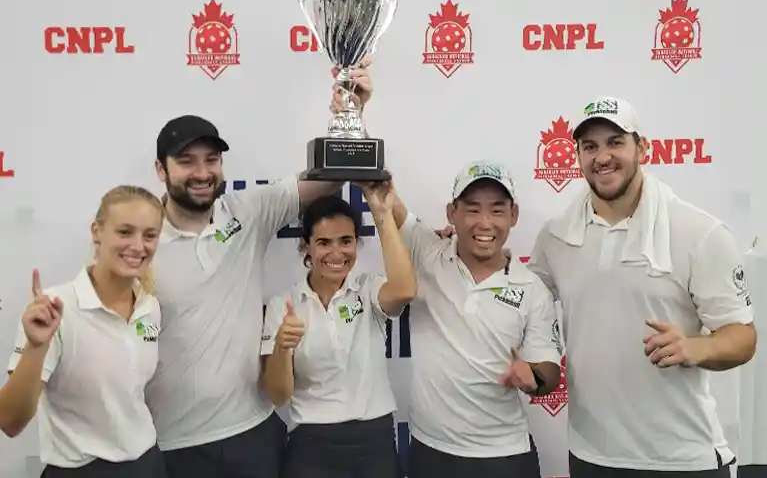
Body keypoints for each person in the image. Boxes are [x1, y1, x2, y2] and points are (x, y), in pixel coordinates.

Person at [145, 62, 374, 478]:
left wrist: (348, 116)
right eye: (186, 161)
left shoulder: (247, 211)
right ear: (161, 170)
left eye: (211, 160)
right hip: (170, 444)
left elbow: (330, 177)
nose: (201, 173)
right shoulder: (137, 241)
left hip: (252, 435)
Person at [528, 96, 756, 477]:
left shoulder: (699, 233)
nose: (602, 156)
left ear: (643, 147)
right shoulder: (555, 237)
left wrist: (694, 347)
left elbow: (743, 338)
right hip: (590, 456)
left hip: (682, 460)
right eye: (590, 146)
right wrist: (459, 246)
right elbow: (522, 296)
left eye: (615, 142)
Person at [388, 161, 562, 478]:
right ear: (452, 213)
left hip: (504, 456)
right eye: (472, 209)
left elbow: (549, 370)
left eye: (497, 210)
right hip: (430, 451)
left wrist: (533, 376)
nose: (485, 223)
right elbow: (384, 195)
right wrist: (355, 119)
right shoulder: (428, 252)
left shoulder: (532, 288)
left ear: (514, 215)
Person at [1, 185, 166, 478]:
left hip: (147, 464)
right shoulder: (55, 310)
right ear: (96, 231)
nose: (138, 246)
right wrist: (36, 347)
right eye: (125, 232)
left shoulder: (149, 306)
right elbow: (10, 420)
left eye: (149, 235)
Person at [260, 181, 416, 478]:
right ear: (305, 245)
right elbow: (278, 395)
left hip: (375, 441)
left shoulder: (368, 288)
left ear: (357, 242)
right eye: (323, 243)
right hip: (311, 445)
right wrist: (282, 347)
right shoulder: (285, 303)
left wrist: (381, 212)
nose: (336, 253)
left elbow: (405, 290)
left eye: (346, 241)